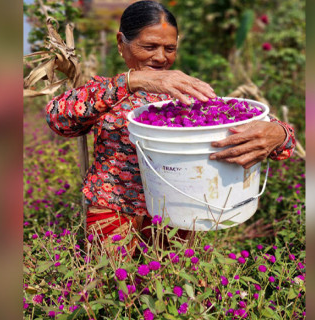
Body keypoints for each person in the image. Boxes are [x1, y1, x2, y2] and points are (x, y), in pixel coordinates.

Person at [46, 1, 295, 251]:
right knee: (112, 286)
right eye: (149, 46)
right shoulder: (107, 92)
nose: (161, 57)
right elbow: (58, 119)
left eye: (170, 48)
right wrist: (132, 82)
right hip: (114, 213)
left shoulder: (187, 93)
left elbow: (276, 142)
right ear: (121, 43)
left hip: (178, 215)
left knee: (168, 284)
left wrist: (279, 133)